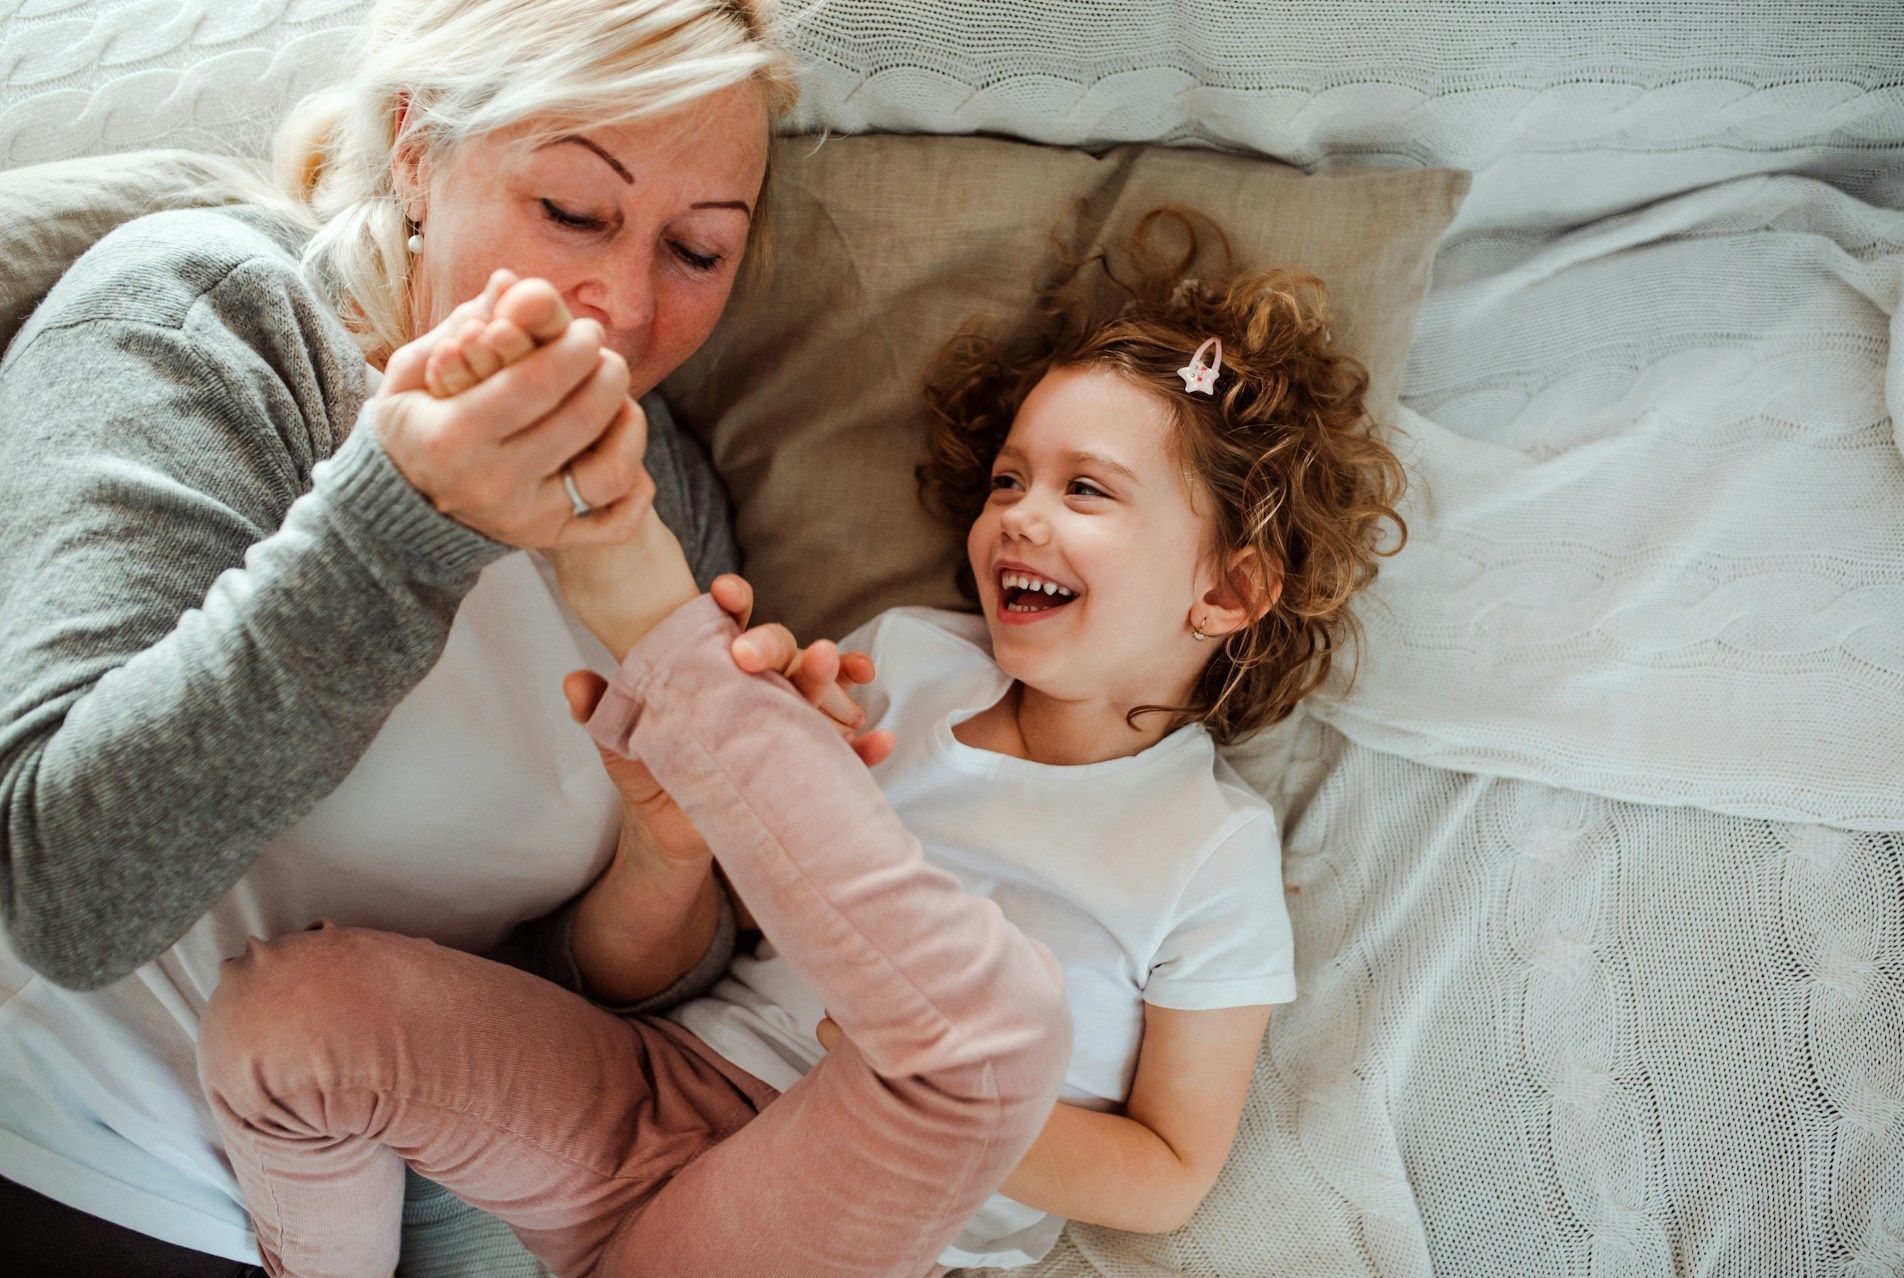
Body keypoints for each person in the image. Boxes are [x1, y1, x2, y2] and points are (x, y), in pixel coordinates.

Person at [193, 217, 1411, 1276]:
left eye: (1087, 492)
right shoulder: (908, 663)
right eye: (1006, 480)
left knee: (985, 1025)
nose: (1020, 514)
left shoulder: (1210, 848)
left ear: (1233, 589)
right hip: (661, 1090)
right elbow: (668, 956)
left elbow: (1167, 1176)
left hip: (856, 1208)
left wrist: (919, 1076)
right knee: (284, 1014)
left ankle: (643, 593)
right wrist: (681, 834)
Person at [0, 2, 855, 1273]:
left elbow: (582, 988)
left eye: (698, 249)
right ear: (416, 146)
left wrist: (666, 850)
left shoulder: (663, 492)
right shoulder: (218, 321)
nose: (621, 305)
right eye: (573, 211)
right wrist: (409, 518)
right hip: (76, 1160)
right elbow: (60, 891)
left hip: (380, 1190)